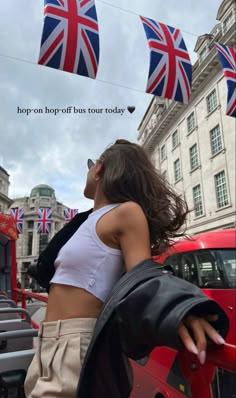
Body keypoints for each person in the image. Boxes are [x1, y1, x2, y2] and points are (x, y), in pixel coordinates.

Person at [24, 139, 227, 398]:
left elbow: (141, 273)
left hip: (77, 346)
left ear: (100, 168)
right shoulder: (85, 221)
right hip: (47, 341)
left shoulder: (127, 212)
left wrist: (177, 307)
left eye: (90, 165)